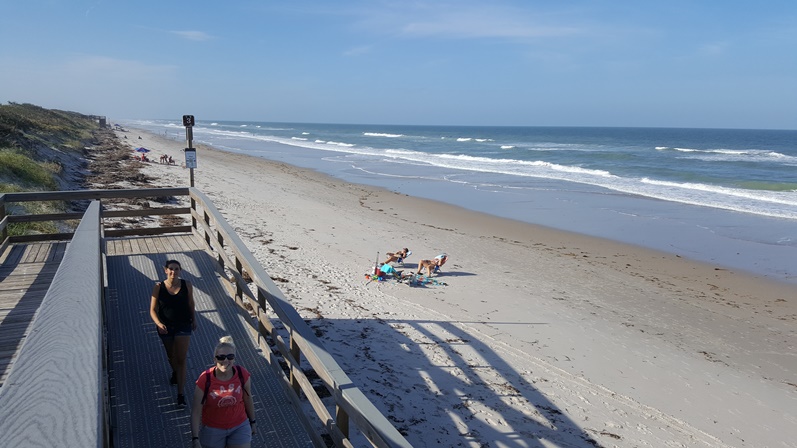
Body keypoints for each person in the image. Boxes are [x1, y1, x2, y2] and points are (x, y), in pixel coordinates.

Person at [191, 336, 256, 448]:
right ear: (214, 359)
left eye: (230, 357)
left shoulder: (242, 374)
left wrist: (253, 422)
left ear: (234, 359)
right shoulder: (205, 379)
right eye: (221, 357)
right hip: (213, 429)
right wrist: (195, 438)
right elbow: (196, 411)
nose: (225, 360)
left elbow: (247, 398)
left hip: (239, 425)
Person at [149, 259, 197, 406]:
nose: (173, 272)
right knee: (171, 356)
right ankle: (175, 372)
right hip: (166, 326)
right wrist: (158, 324)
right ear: (165, 270)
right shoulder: (158, 287)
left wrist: (194, 320)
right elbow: (152, 310)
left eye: (176, 269)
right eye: (171, 269)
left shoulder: (187, 285)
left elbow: (191, 303)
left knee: (181, 359)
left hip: (183, 325)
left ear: (180, 270)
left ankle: (180, 394)